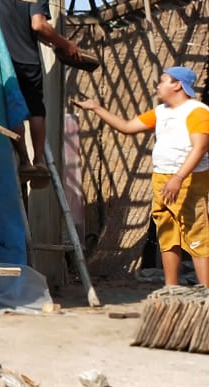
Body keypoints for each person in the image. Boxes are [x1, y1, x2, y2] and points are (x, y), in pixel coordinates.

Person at [73, 67, 209, 287]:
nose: (158, 85)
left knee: (195, 233)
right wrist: (96, 108)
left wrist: (178, 177)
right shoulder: (162, 111)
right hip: (162, 177)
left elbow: (200, 147)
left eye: (163, 81)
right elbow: (127, 127)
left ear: (177, 85)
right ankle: (171, 289)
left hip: (188, 179)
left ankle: (206, 292)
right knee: (168, 232)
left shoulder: (197, 112)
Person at [0, 0, 82, 182]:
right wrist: (65, 44)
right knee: (35, 109)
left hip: (4, 62)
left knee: (12, 108)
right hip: (29, 61)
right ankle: (39, 161)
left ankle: (24, 160)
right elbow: (38, 25)